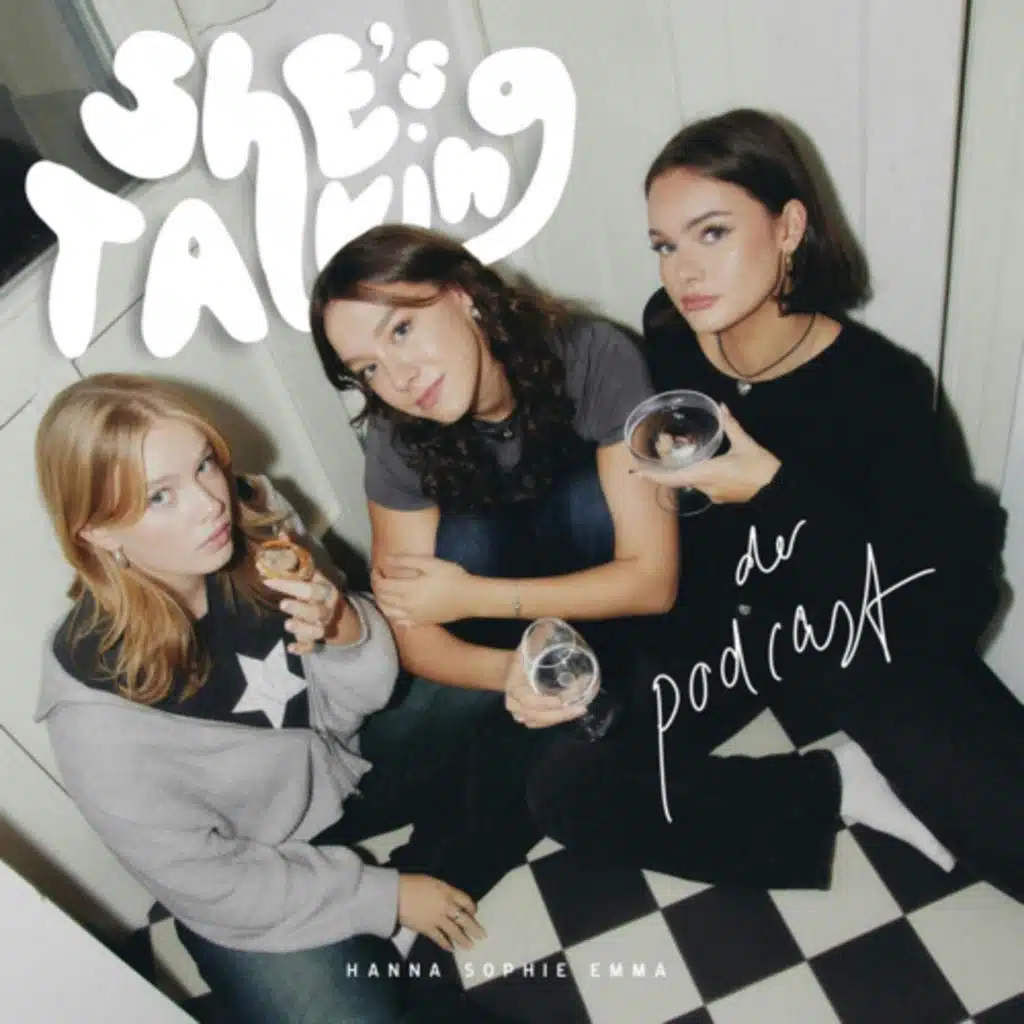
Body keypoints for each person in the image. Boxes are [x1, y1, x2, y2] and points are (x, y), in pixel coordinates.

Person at [526, 108, 1024, 905]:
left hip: (858, 640)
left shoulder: (882, 387)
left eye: (712, 233)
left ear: (789, 227)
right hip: (721, 631)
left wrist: (773, 491)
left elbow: (945, 598)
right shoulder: (670, 334)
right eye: (665, 245)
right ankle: (838, 783)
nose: (683, 271)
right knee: (567, 787)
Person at [33, 373, 532, 1023]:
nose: (210, 503)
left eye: (204, 464)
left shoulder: (257, 520)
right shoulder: (95, 713)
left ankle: (430, 869)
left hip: (343, 770)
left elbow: (365, 696)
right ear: (99, 533)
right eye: (161, 496)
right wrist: (383, 897)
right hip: (245, 879)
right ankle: (384, 898)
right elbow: (212, 883)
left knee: (510, 687)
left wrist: (345, 628)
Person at [308, 225, 678, 738]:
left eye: (401, 330)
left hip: (628, 610)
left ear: (464, 296)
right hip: (523, 637)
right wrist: (516, 674)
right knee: (462, 542)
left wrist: (473, 596)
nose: (399, 379)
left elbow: (653, 583)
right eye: (368, 369)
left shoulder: (591, 354)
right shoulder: (395, 431)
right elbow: (409, 629)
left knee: (586, 499)